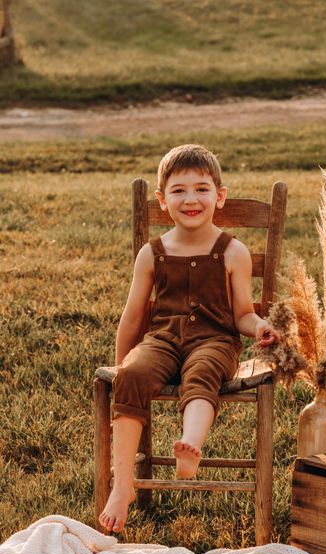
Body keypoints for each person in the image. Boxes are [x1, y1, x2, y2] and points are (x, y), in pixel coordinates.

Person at [99, 144, 279, 533]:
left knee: (202, 373)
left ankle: (190, 444)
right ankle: (123, 483)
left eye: (201, 188)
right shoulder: (152, 254)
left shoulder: (233, 252)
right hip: (161, 340)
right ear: (163, 201)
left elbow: (243, 313)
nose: (191, 199)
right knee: (132, 376)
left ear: (220, 195)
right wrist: (122, 363)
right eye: (179, 191)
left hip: (215, 342)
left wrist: (260, 327)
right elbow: (133, 318)